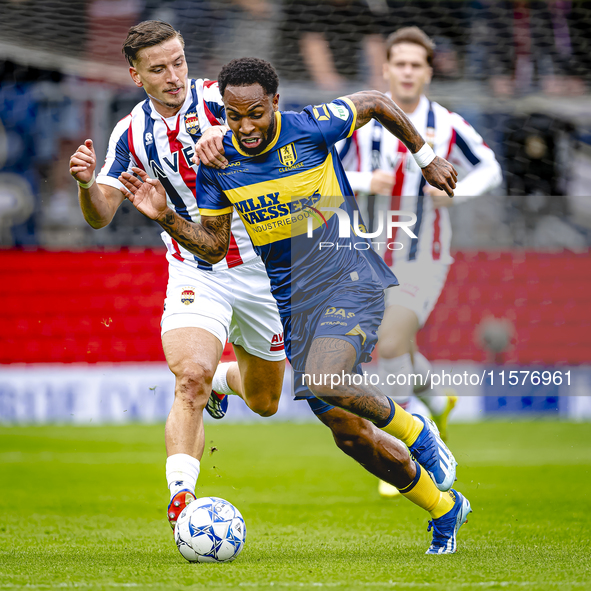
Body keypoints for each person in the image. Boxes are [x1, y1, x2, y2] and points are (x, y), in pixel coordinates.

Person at [119, 57, 472, 555]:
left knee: (328, 378)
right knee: (348, 432)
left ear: (275, 104)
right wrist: (169, 218)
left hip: (349, 274)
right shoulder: (217, 167)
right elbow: (215, 247)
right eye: (234, 116)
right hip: (293, 301)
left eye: (256, 114)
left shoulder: (309, 126)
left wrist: (425, 156)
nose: (246, 127)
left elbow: (375, 102)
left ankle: (421, 434)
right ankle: (443, 506)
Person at [68, 22, 286, 531]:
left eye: (179, 62)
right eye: (159, 69)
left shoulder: (222, 100)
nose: (174, 76)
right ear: (135, 75)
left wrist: (234, 130)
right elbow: (100, 213)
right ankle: (183, 503)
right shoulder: (130, 134)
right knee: (189, 377)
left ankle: (224, 386)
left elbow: (278, 133)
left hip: (262, 267)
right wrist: (85, 185)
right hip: (196, 267)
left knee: (266, 401)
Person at [339, 26, 502, 498]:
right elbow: (319, 168)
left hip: (423, 258)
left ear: (428, 72)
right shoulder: (363, 120)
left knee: (388, 345)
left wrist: (459, 192)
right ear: (386, 69)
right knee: (392, 348)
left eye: (417, 65)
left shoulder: (448, 125)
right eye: (400, 64)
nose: (408, 72)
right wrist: (363, 179)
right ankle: (435, 396)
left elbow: (489, 167)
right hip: (367, 258)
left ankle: (411, 446)